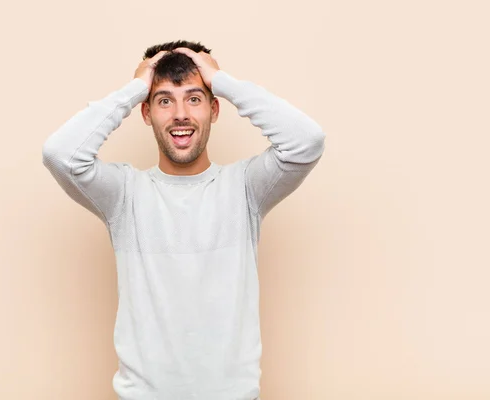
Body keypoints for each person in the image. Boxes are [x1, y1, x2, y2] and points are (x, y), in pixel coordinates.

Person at [42, 40, 326, 400]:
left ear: (214, 109)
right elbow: (60, 154)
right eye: (164, 100)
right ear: (145, 113)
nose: (180, 115)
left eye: (194, 98)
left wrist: (221, 80)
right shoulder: (124, 194)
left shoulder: (245, 188)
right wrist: (134, 89)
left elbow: (307, 141)